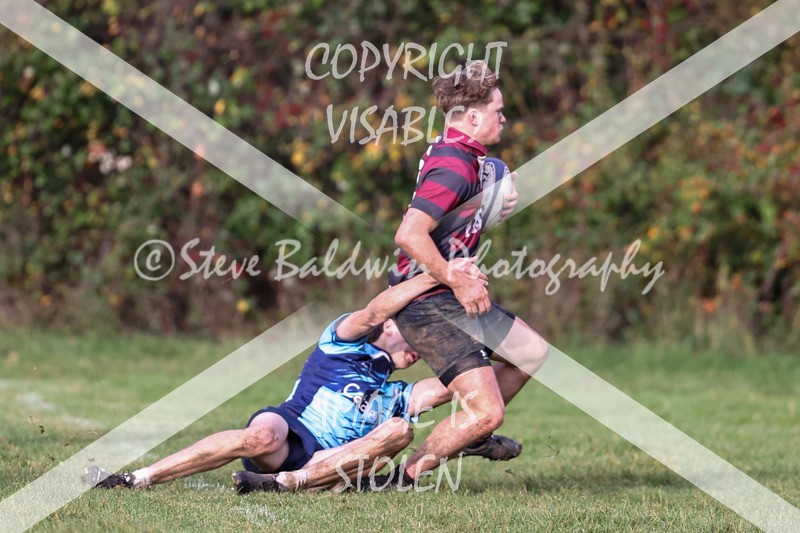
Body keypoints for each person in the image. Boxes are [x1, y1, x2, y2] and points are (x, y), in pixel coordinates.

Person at [84, 258, 521, 494]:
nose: (420, 346)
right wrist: (438, 276)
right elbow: (375, 309)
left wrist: (509, 355)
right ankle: (136, 478)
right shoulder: (344, 341)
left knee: (399, 430)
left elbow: (472, 385)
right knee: (260, 437)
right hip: (291, 430)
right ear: (394, 326)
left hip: (324, 466)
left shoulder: (399, 393)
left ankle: (286, 485)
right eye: (416, 332)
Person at [387, 60, 550, 487]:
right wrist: (455, 277)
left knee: (530, 353)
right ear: (474, 117)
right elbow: (409, 234)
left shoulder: (467, 156)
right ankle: (405, 475)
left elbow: (455, 210)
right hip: (428, 303)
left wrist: (486, 203)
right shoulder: (456, 165)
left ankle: (472, 435)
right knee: (487, 411)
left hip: (447, 295)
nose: (504, 118)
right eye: (499, 111)